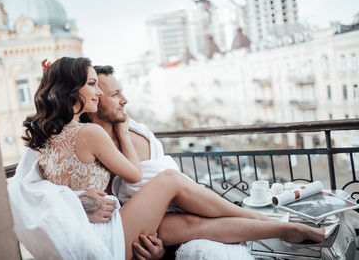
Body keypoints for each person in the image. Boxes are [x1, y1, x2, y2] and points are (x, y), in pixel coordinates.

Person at [23, 57, 325, 260]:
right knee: (169, 180)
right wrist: (83, 201)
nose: (99, 94)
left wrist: (79, 201)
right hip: (102, 235)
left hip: (85, 233)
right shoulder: (90, 135)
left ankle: (284, 229)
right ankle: (276, 223)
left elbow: (38, 191)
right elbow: (133, 174)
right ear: (72, 89)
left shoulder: (46, 135)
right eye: (92, 86)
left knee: (188, 225)